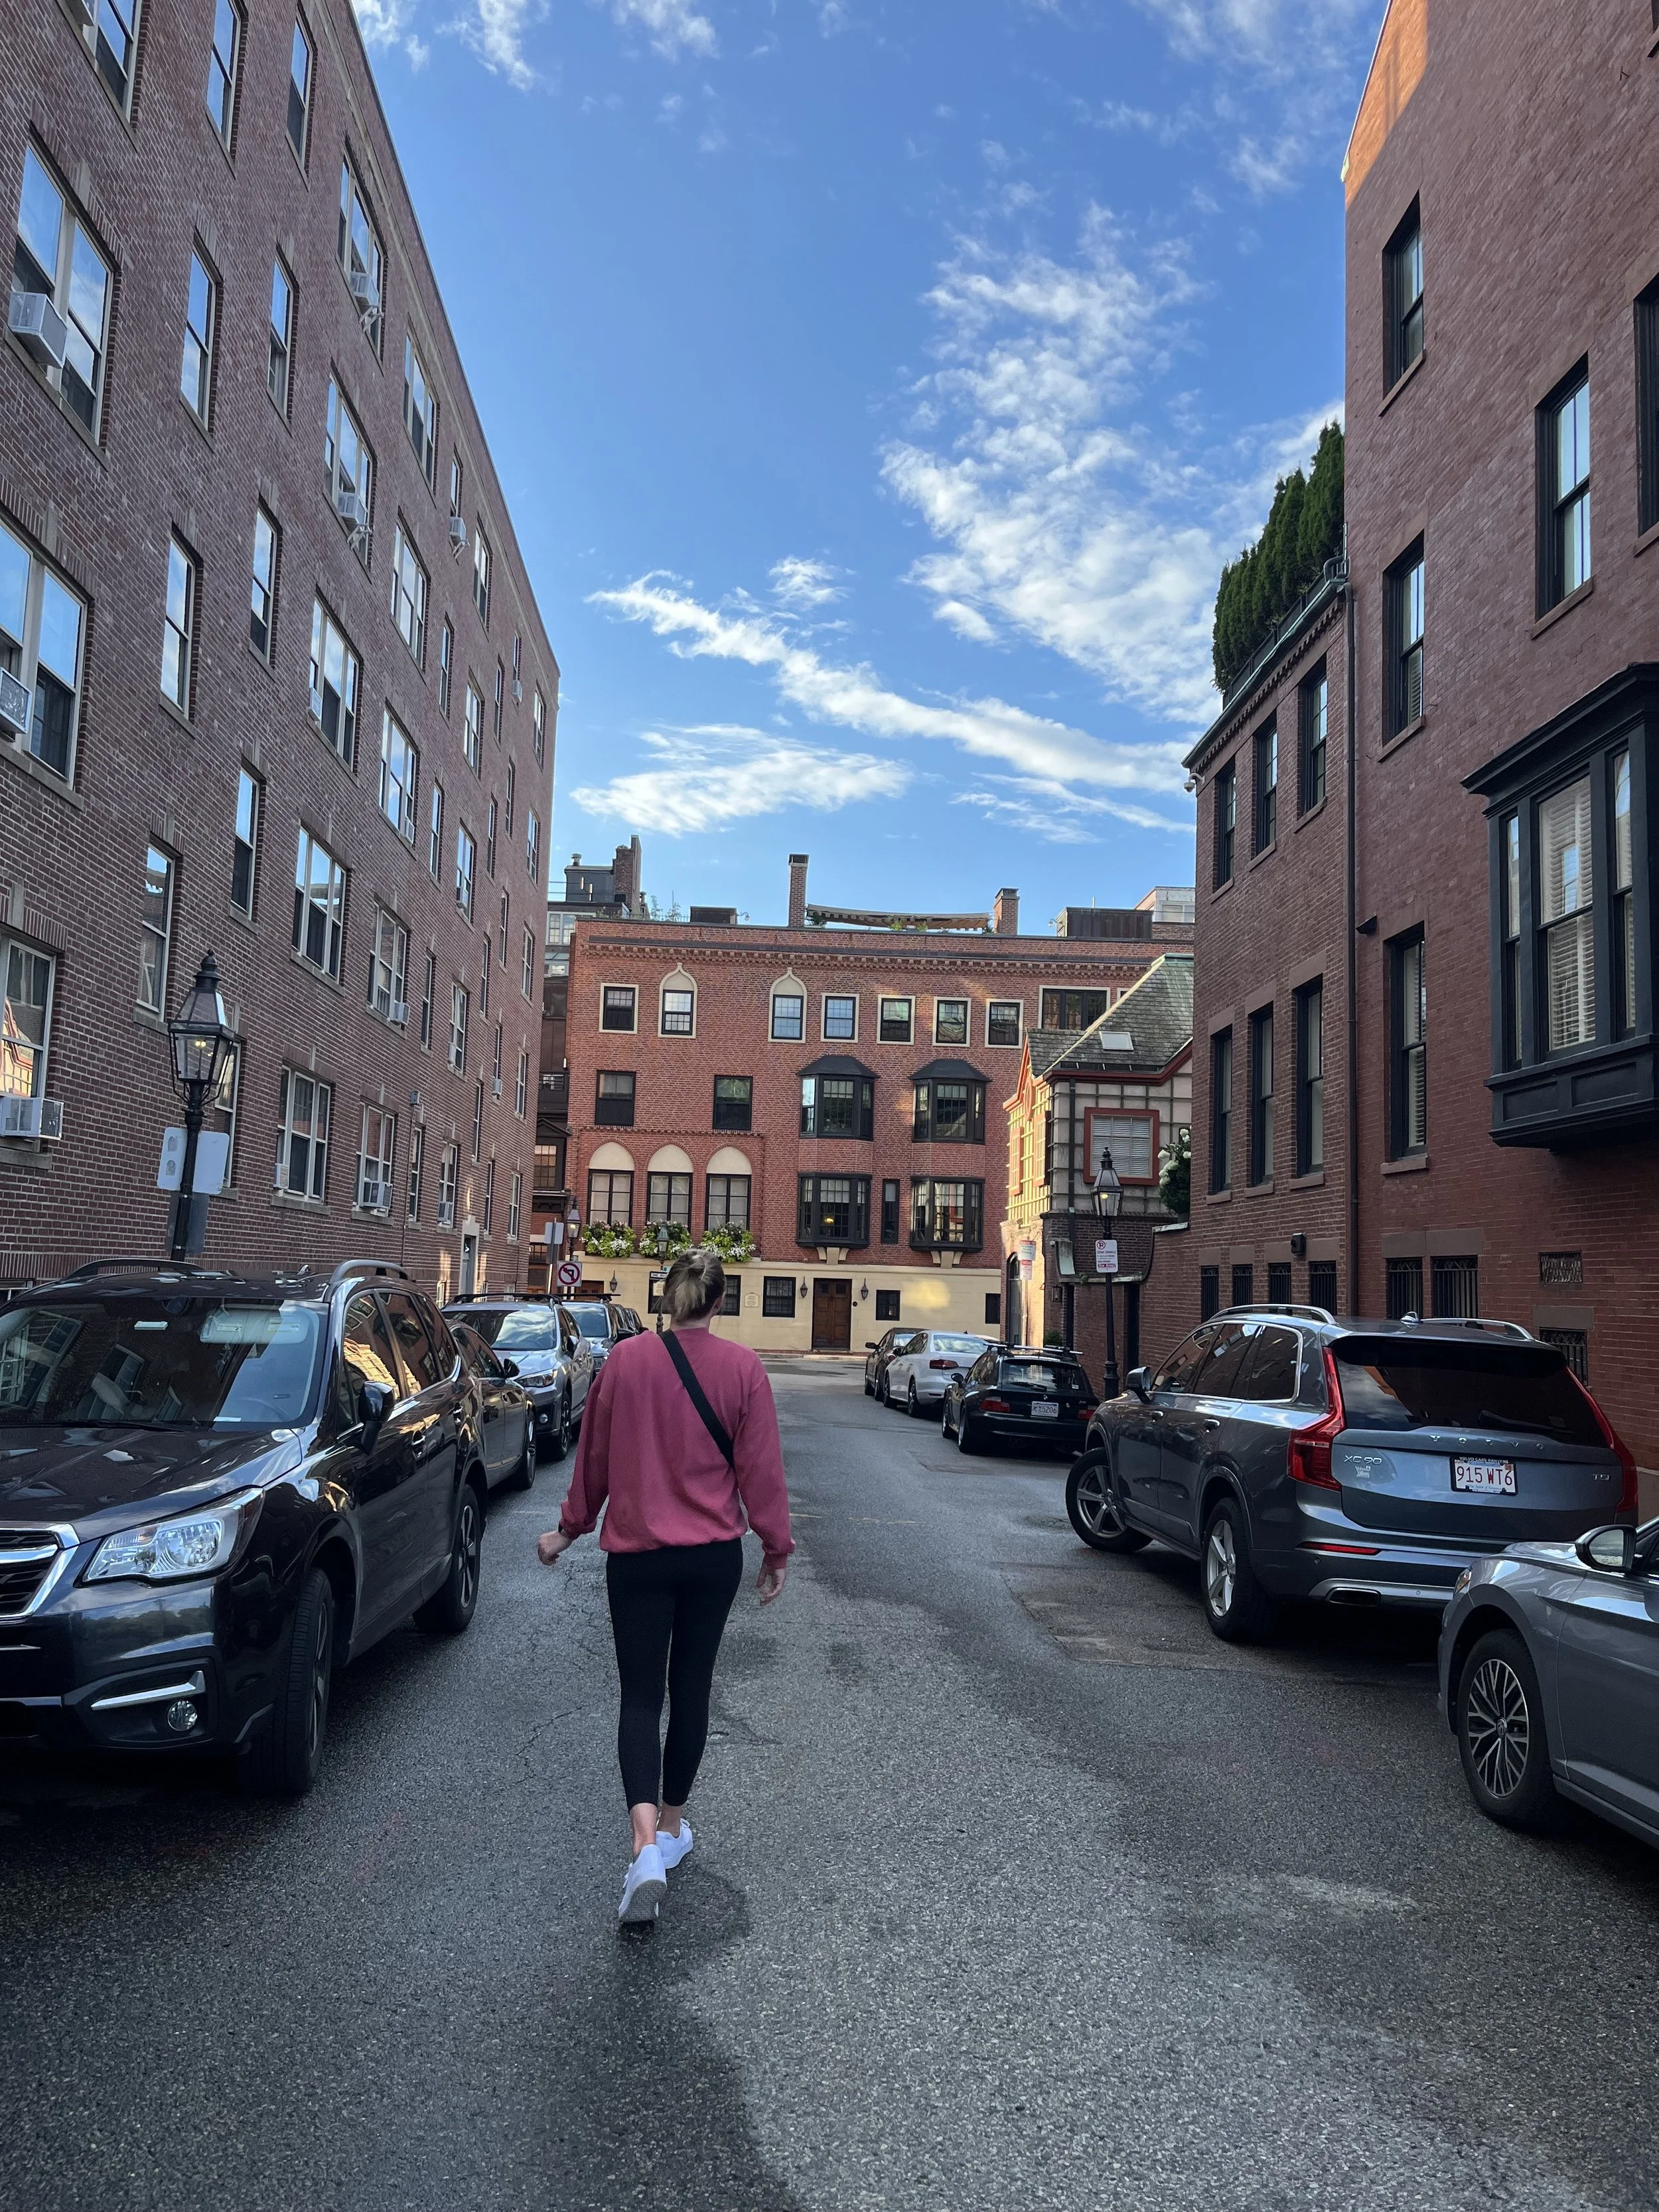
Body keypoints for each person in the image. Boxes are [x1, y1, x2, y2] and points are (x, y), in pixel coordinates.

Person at [536, 1247, 793, 1925]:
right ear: (719, 1301)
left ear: (668, 1297)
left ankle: (644, 1843)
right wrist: (775, 1548)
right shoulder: (743, 1369)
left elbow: (592, 1451)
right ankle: (674, 1828)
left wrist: (570, 1528)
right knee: (692, 1691)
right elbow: (761, 1470)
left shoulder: (625, 1362)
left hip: (639, 1557)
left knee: (641, 1696)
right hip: (712, 1558)